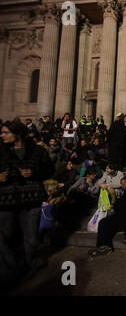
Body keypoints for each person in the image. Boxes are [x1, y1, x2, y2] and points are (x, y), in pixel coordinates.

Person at [0, 121, 54, 287]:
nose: (2, 135)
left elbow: (50, 170)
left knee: (30, 237)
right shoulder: (1, 151)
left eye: (5, 132)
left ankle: (31, 261)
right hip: (6, 201)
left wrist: (34, 172)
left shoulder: (37, 150)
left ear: (18, 134)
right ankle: (9, 271)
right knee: (3, 238)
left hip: (31, 200)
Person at [88, 177, 126, 257]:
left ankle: (105, 245)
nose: (123, 185)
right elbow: (122, 203)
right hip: (122, 215)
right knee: (104, 222)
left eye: (124, 182)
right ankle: (104, 246)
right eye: (121, 183)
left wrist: (114, 205)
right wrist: (115, 205)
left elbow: (125, 203)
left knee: (105, 223)